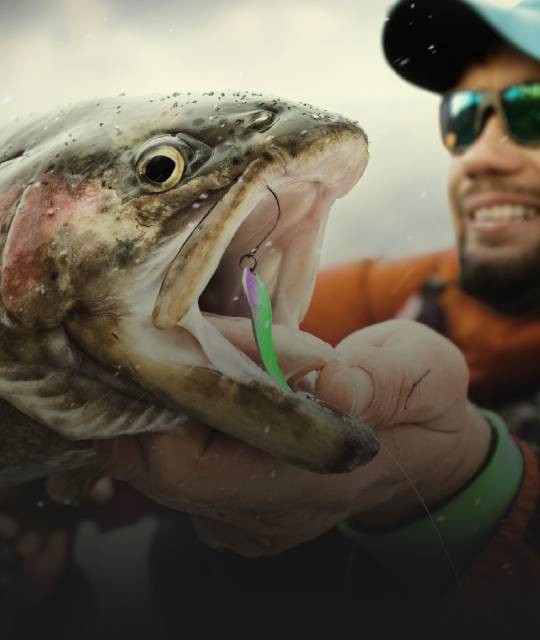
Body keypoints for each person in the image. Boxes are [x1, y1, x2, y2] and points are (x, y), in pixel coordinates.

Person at [89, 0, 540, 632]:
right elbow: (191, 339)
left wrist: (465, 481)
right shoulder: (419, 288)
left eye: (531, 112)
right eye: (464, 117)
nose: (479, 158)